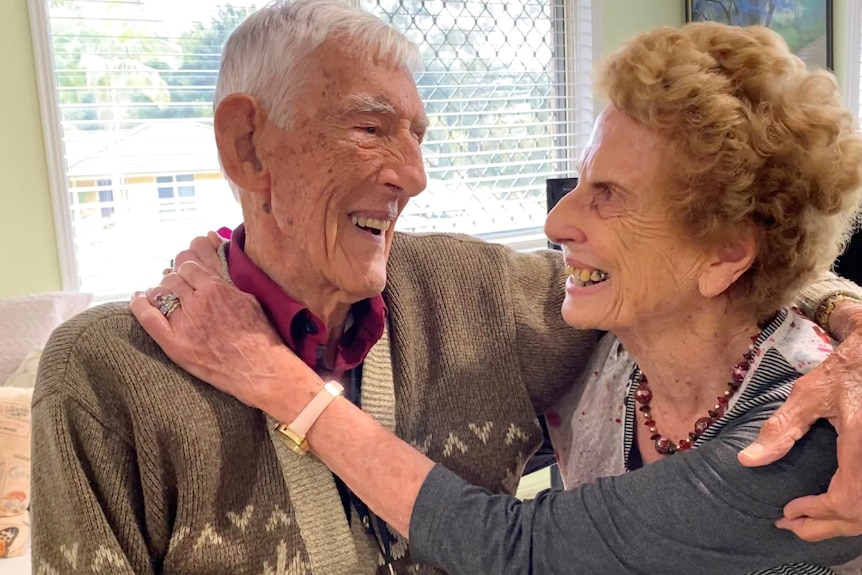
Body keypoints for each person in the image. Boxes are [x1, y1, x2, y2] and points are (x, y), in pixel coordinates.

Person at [31, 0, 861, 571]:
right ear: (249, 146)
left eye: (419, 136)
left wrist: (850, 320)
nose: (415, 176)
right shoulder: (107, 376)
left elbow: (727, 279)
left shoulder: (477, 297)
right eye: (370, 128)